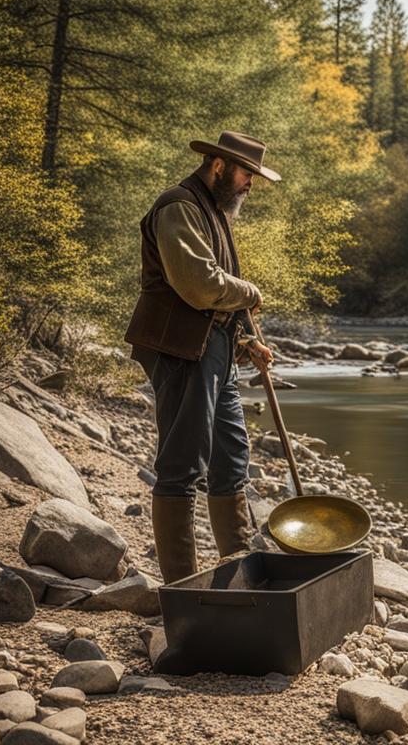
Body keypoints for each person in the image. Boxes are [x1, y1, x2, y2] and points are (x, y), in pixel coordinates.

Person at [124, 131, 277, 584]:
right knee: (183, 463)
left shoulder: (212, 211)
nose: (250, 184)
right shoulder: (178, 205)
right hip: (179, 351)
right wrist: (251, 291)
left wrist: (247, 344)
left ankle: (238, 573)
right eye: (247, 174)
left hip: (213, 352)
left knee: (231, 458)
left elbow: (217, 305)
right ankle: (180, 588)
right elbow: (199, 285)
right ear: (218, 166)